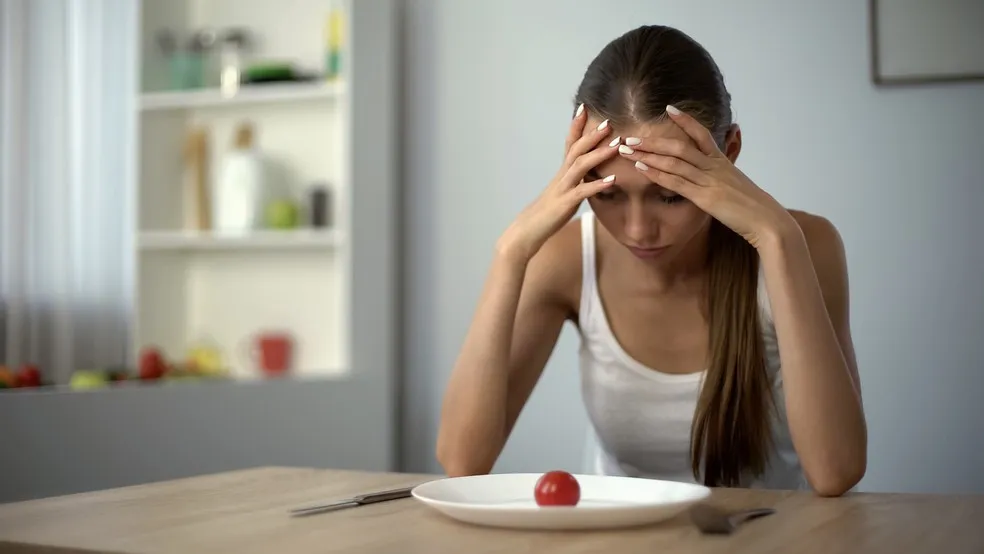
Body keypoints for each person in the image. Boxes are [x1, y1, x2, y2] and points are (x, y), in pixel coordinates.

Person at [436, 24, 866, 497]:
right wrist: (510, 252)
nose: (638, 230)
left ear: (731, 152)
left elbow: (836, 471)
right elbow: (462, 460)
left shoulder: (804, 245)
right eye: (610, 193)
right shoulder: (566, 262)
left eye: (670, 196)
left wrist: (777, 236)